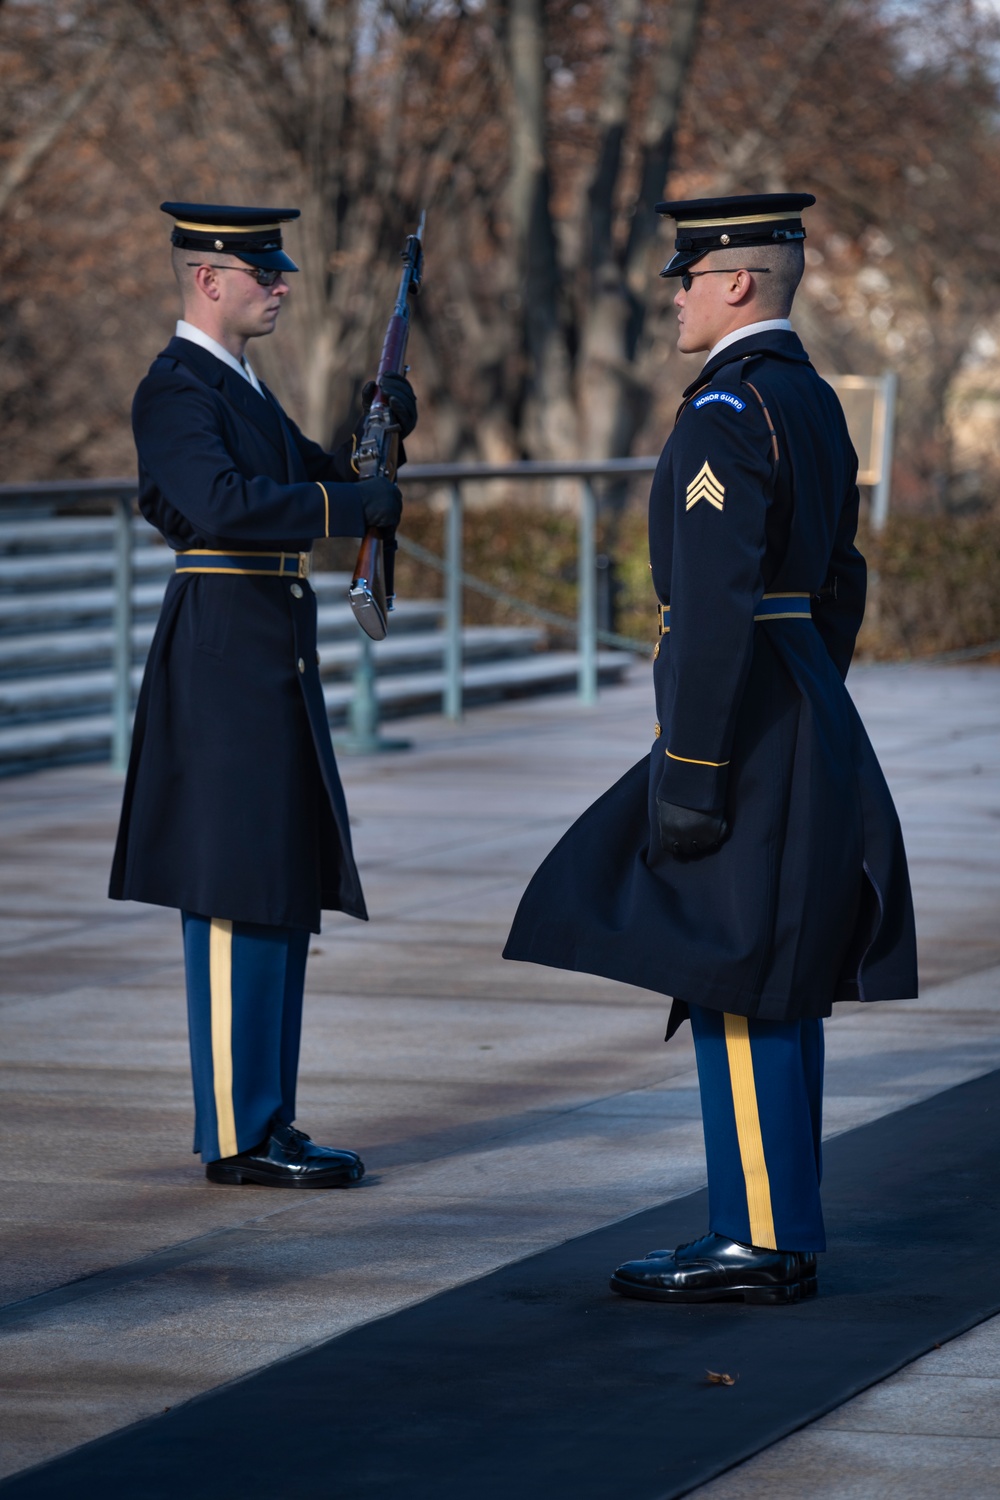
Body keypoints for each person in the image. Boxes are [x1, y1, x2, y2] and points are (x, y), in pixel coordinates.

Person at [503, 193, 917, 1304]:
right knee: (771, 976)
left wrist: (690, 771)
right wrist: (809, 672)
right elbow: (842, 578)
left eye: (688, 277)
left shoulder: (725, 413)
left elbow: (715, 606)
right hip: (804, 702)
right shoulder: (810, 401)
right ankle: (772, 1224)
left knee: (734, 977)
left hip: (742, 725)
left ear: (735, 281)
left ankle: (759, 1240)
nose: (676, 298)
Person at [110, 202, 417, 1188]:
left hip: (267, 651)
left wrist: (376, 437)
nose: (280, 285)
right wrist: (345, 504)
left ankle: (270, 1118)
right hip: (222, 657)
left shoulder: (238, 383)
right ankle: (238, 1134)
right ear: (208, 278)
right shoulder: (177, 389)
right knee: (237, 890)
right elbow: (219, 504)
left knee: (278, 886)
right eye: (262, 273)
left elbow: (309, 476)